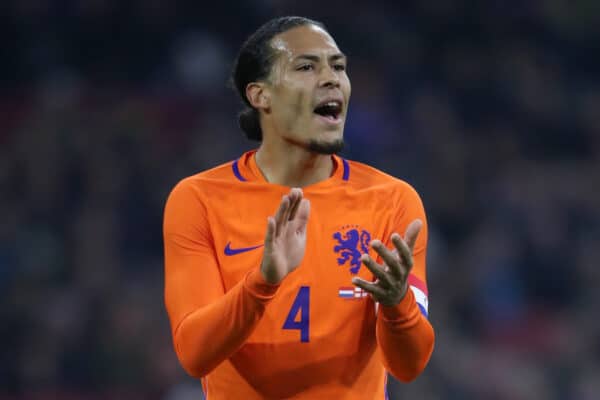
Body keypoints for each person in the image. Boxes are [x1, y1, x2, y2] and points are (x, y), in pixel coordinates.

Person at [163, 16, 434, 399]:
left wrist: (396, 303)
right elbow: (194, 354)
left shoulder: (391, 200)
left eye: (338, 66)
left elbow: (410, 366)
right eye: (306, 66)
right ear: (260, 96)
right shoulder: (198, 199)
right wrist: (263, 282)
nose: (331, 78)